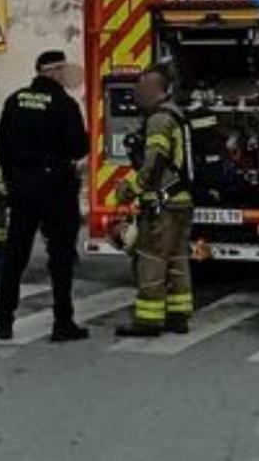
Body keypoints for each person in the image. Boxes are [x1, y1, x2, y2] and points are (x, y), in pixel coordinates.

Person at [0, 50, 90, 343]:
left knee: (15, 256)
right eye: (63, 71)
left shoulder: (14, 101)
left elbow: (2, 149)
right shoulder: (64, 104)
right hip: (56, 188)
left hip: (22, 186)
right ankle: (63, 322)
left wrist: (15, 182)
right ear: (56, 72)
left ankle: (4, 322)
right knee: (60, 258)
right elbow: (77, 148)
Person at [115, 66, 194, 337]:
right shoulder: (178, 114)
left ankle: (148, 321)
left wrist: (131, 188)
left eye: (141, 89)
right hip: (181, 201)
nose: (137, 95)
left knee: (152, 259)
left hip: (163, 203)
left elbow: (155, 162)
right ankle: (178, 316)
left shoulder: (159, 120)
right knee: (178, 259)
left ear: (155, 89)